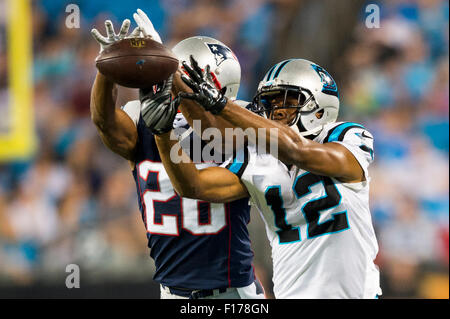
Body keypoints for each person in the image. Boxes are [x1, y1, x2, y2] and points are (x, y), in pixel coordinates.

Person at [149, 56, 382, 298]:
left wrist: (221, 105)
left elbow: (299, 150)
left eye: (289, 100)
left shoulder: (347, 136)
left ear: (321, 106)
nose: (277, 110)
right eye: (269, 102)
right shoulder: (255, 155)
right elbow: (193, 187)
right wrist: (163, 135)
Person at [90, 9, 264, 299]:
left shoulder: (240, 123)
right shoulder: (144, 118)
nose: (174, 84)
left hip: (230, 291)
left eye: (185, 76)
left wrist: (170, 70)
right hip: (172, 291)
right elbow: (105, 124)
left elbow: (212, 137)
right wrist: (107, 70)